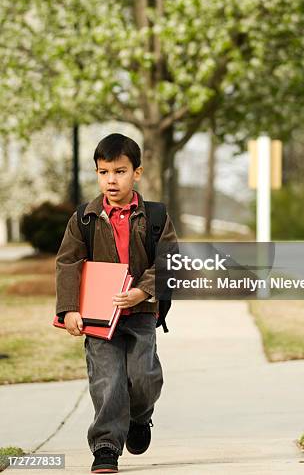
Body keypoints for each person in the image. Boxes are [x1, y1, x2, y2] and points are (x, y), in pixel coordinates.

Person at [55, 133, 177, 474]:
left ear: (136, 173)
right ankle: (106, 445)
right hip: (98, 315)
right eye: (104, 172)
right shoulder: (85, 218)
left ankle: (140, 415)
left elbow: (170, 259)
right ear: (97, 173)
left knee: (144, 376)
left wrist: (143, 291)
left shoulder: (154, 216)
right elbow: (67, 263)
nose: (111, 179)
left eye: (120, 171)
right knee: (107, 379)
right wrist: (68, 309)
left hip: (140, 313)